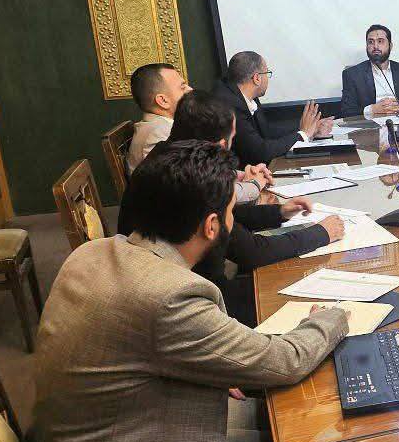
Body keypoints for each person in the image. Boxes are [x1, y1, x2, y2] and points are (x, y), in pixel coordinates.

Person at [24, 140, 350, 442]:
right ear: (212, 225)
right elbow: (285, 361)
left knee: (272, 419)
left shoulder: (94, 253)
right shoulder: (169, 296)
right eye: (232, 212)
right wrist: (331, 318)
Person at [118, 92, 344, 325]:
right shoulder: (192, 181)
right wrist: (322, 233)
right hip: (198, 301)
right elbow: (252, 251)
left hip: (158, 283)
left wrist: (278, 212)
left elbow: (230, 217)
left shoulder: (167, 159)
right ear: (221, 145)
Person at [212, 50, 334, 165]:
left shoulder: (244, 95)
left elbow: (266, 132)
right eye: (267, 73)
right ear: (257, 78)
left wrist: (307, 129)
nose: (267, 79)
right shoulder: (231, 105)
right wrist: (303, 134)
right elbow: (260, 152)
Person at [339, 24, 399, 119]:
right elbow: (346, 111)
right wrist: (372, 110)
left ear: (390, 46)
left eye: (380, 41)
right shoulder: (352, 74)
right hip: (370, 126)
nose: (375, 46)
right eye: (371, 42)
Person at [127, 62, 191, 172]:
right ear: (163, 101)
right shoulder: (160, 134)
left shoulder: (159, 126)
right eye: (182, 87)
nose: (190, 89)